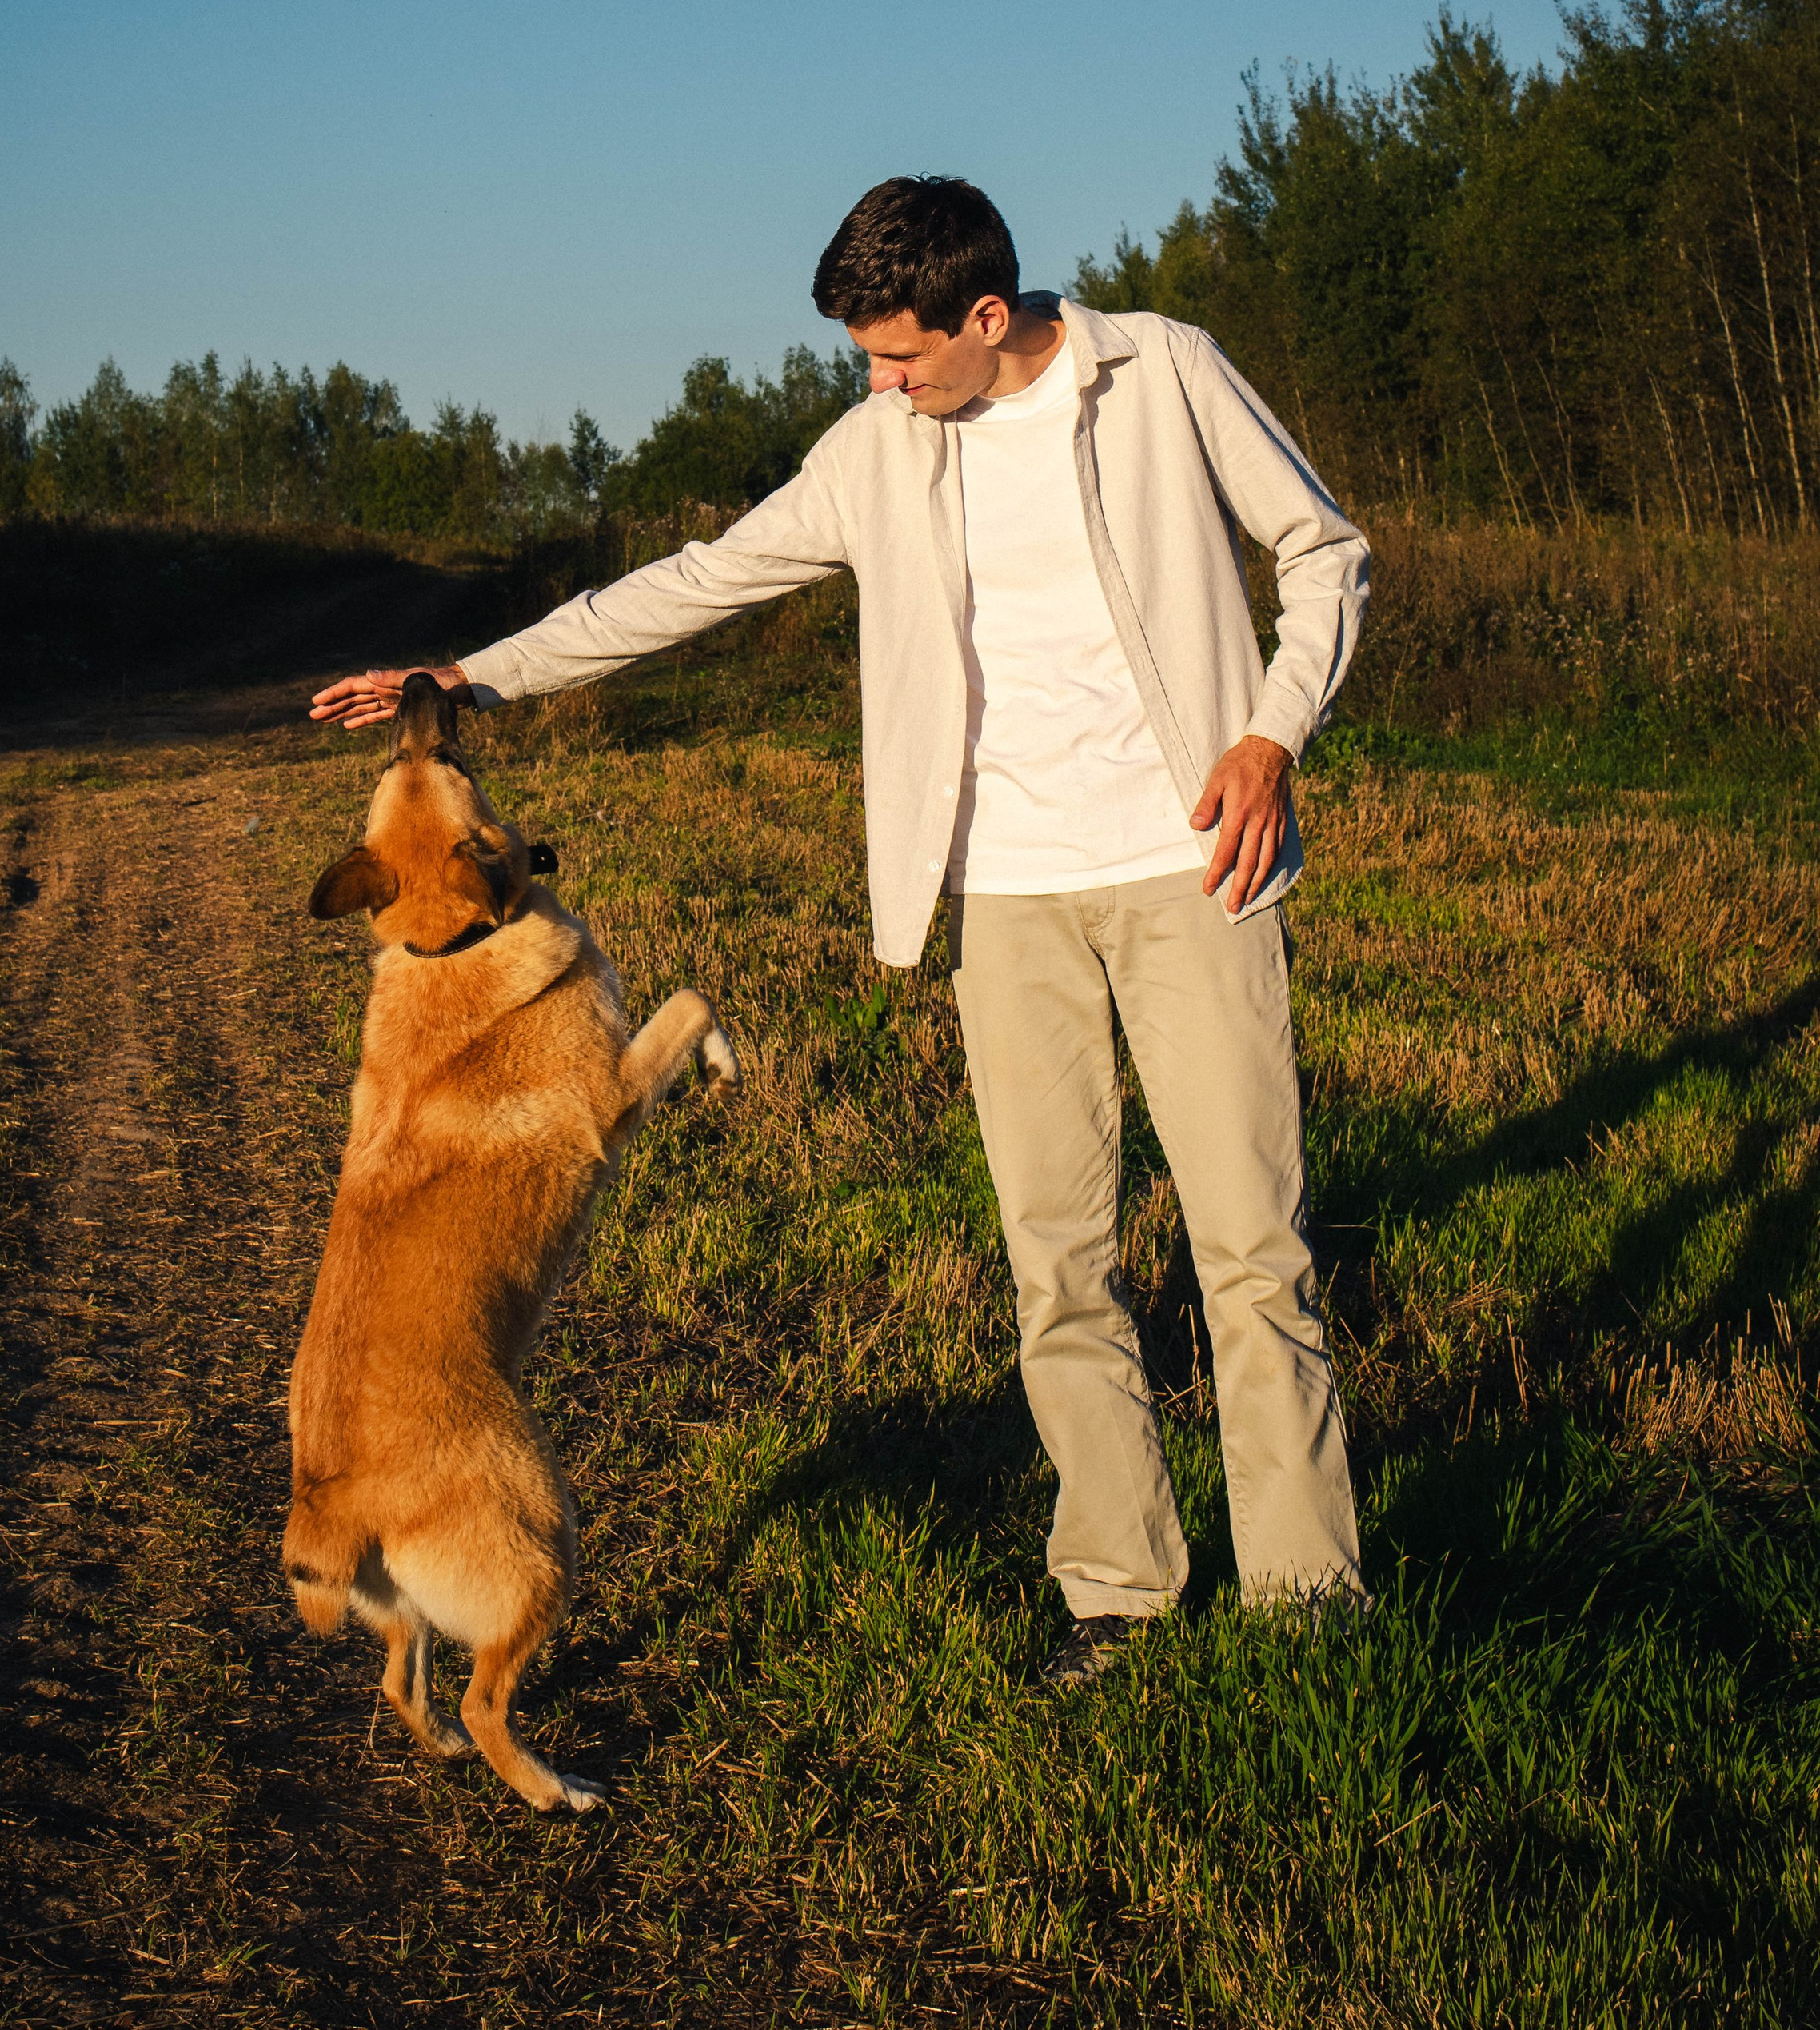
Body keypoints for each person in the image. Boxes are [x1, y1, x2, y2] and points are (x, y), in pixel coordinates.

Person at [312, 175, 1369, 1680]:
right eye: (867, 363)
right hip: (1004, 892)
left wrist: (1270, 734)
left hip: (1189, 867)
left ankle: (1310, 1614)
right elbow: (694, 583)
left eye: (897, 358)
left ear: (985, 318)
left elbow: (1326, 551)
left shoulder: (1164, 372)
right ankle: (1120, 1596)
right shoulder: (880, 448)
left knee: (1253, 1252)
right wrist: (479, 678)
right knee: (1055, 1260)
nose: (878, 388)